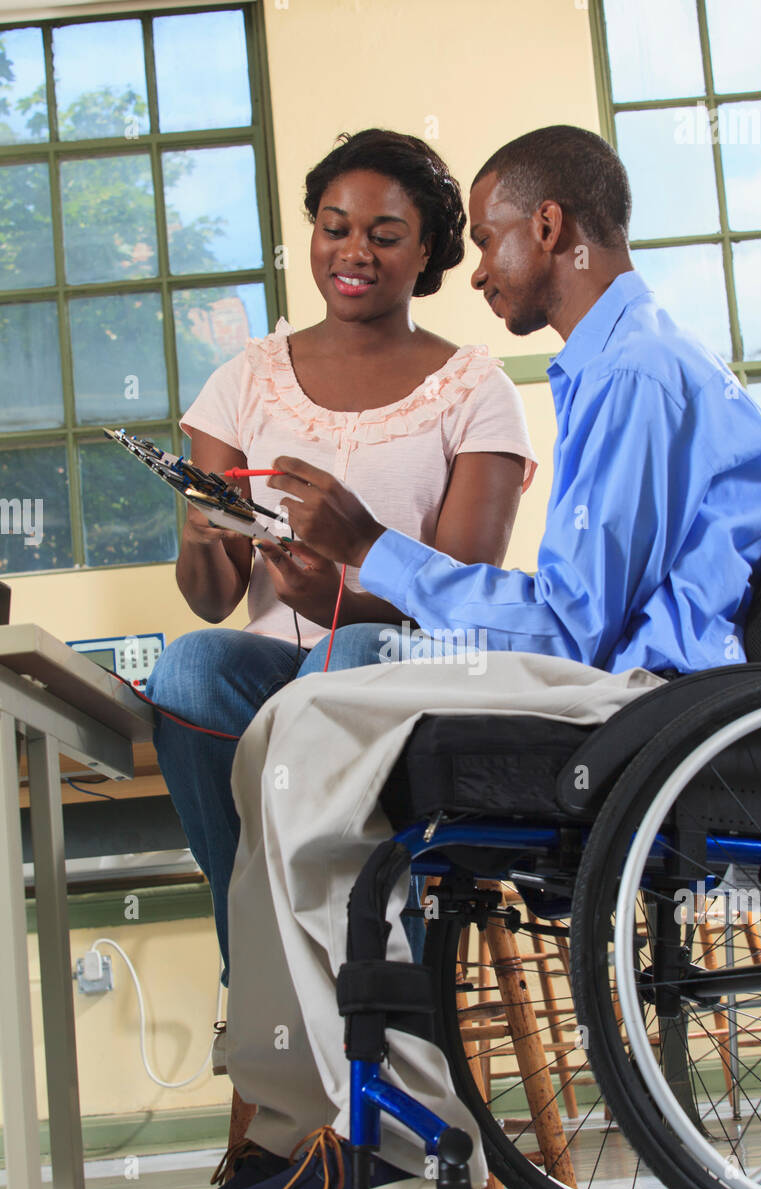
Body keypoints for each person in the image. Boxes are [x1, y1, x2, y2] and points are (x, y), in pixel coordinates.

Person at [175, 125, 761, 1189]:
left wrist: (371, 548)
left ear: (548, 228)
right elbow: (577, 603)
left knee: (309, 725)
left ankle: (383, 1126)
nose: (478, 271)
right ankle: (339, 1113)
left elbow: (573, 624)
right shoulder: (623, 359)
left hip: (649, 702)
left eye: (484, 240)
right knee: (291, 726)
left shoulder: (632, 369)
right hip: (641, 685)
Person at [146, 129, 537, 986]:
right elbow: (211, 600)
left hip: (404, 672)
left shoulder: (475, 391)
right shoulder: (245, 381)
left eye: (384, 235)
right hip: (275, 677)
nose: (353, 252)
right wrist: (202, 536)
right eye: (334, 228)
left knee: (347, 653)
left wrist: (340, 599)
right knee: (189, 669)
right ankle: (259, 959)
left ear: (427, 251)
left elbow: (466, 598)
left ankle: (368, 968)